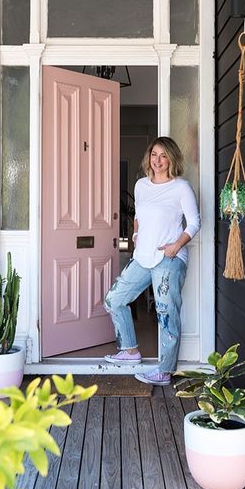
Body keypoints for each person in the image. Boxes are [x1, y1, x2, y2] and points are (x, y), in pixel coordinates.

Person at [104, 136, 201, 386]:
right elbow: (139, 215)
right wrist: (136, 234)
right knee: (114, 299)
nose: (157, 160)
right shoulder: (141, 186)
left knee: (166, 313)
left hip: (169, 258)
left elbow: (194, 222)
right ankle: (130, 351)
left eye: (163, 156)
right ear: (149, 157)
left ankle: (164, 371)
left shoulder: (181, 187)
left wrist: (175, 246)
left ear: (172, 159)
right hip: (143, 256)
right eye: (154, 154)